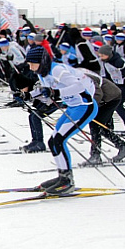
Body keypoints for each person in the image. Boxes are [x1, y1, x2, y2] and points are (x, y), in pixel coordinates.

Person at [28, 47, 98, 195]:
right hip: (72, 108)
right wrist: (28, 95)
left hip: (84, 107)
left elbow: (78, 86)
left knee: (59, 140)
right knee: (53, 141)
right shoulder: (43, 74)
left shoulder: (57, 70)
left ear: (41, 61)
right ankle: (62, 176)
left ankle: (67, 181)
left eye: (32, 63)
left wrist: (56, 93)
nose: (30, 67)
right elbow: (46, 93)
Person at [80, 68, 125, 164]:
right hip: (103, 99)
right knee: (102, 128)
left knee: (96, 125)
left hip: (111, 97)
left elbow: (98, 94)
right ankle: (123, 147)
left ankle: (96, 155)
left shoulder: (82, 77)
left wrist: (89, 109)